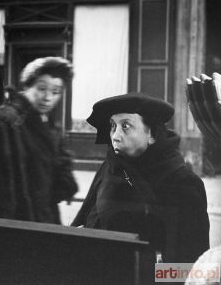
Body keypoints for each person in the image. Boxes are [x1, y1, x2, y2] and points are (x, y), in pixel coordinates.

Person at [71, 93, 209, 264]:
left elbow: (192, 271)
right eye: (113, 126)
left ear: (151, 134)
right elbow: (82, 224)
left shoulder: (183, 183)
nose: (115, 136)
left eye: (126, 126)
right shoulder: (110, 167)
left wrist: (142, 276)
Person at [0, 56, 78, 224]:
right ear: (27, 86)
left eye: (56, 92)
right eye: (42, 88)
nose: (48, 97)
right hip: (16, 226)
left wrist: (65, 181)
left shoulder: (49, 125)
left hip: (45, 220)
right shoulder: (4, 121)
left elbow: (55, 172)